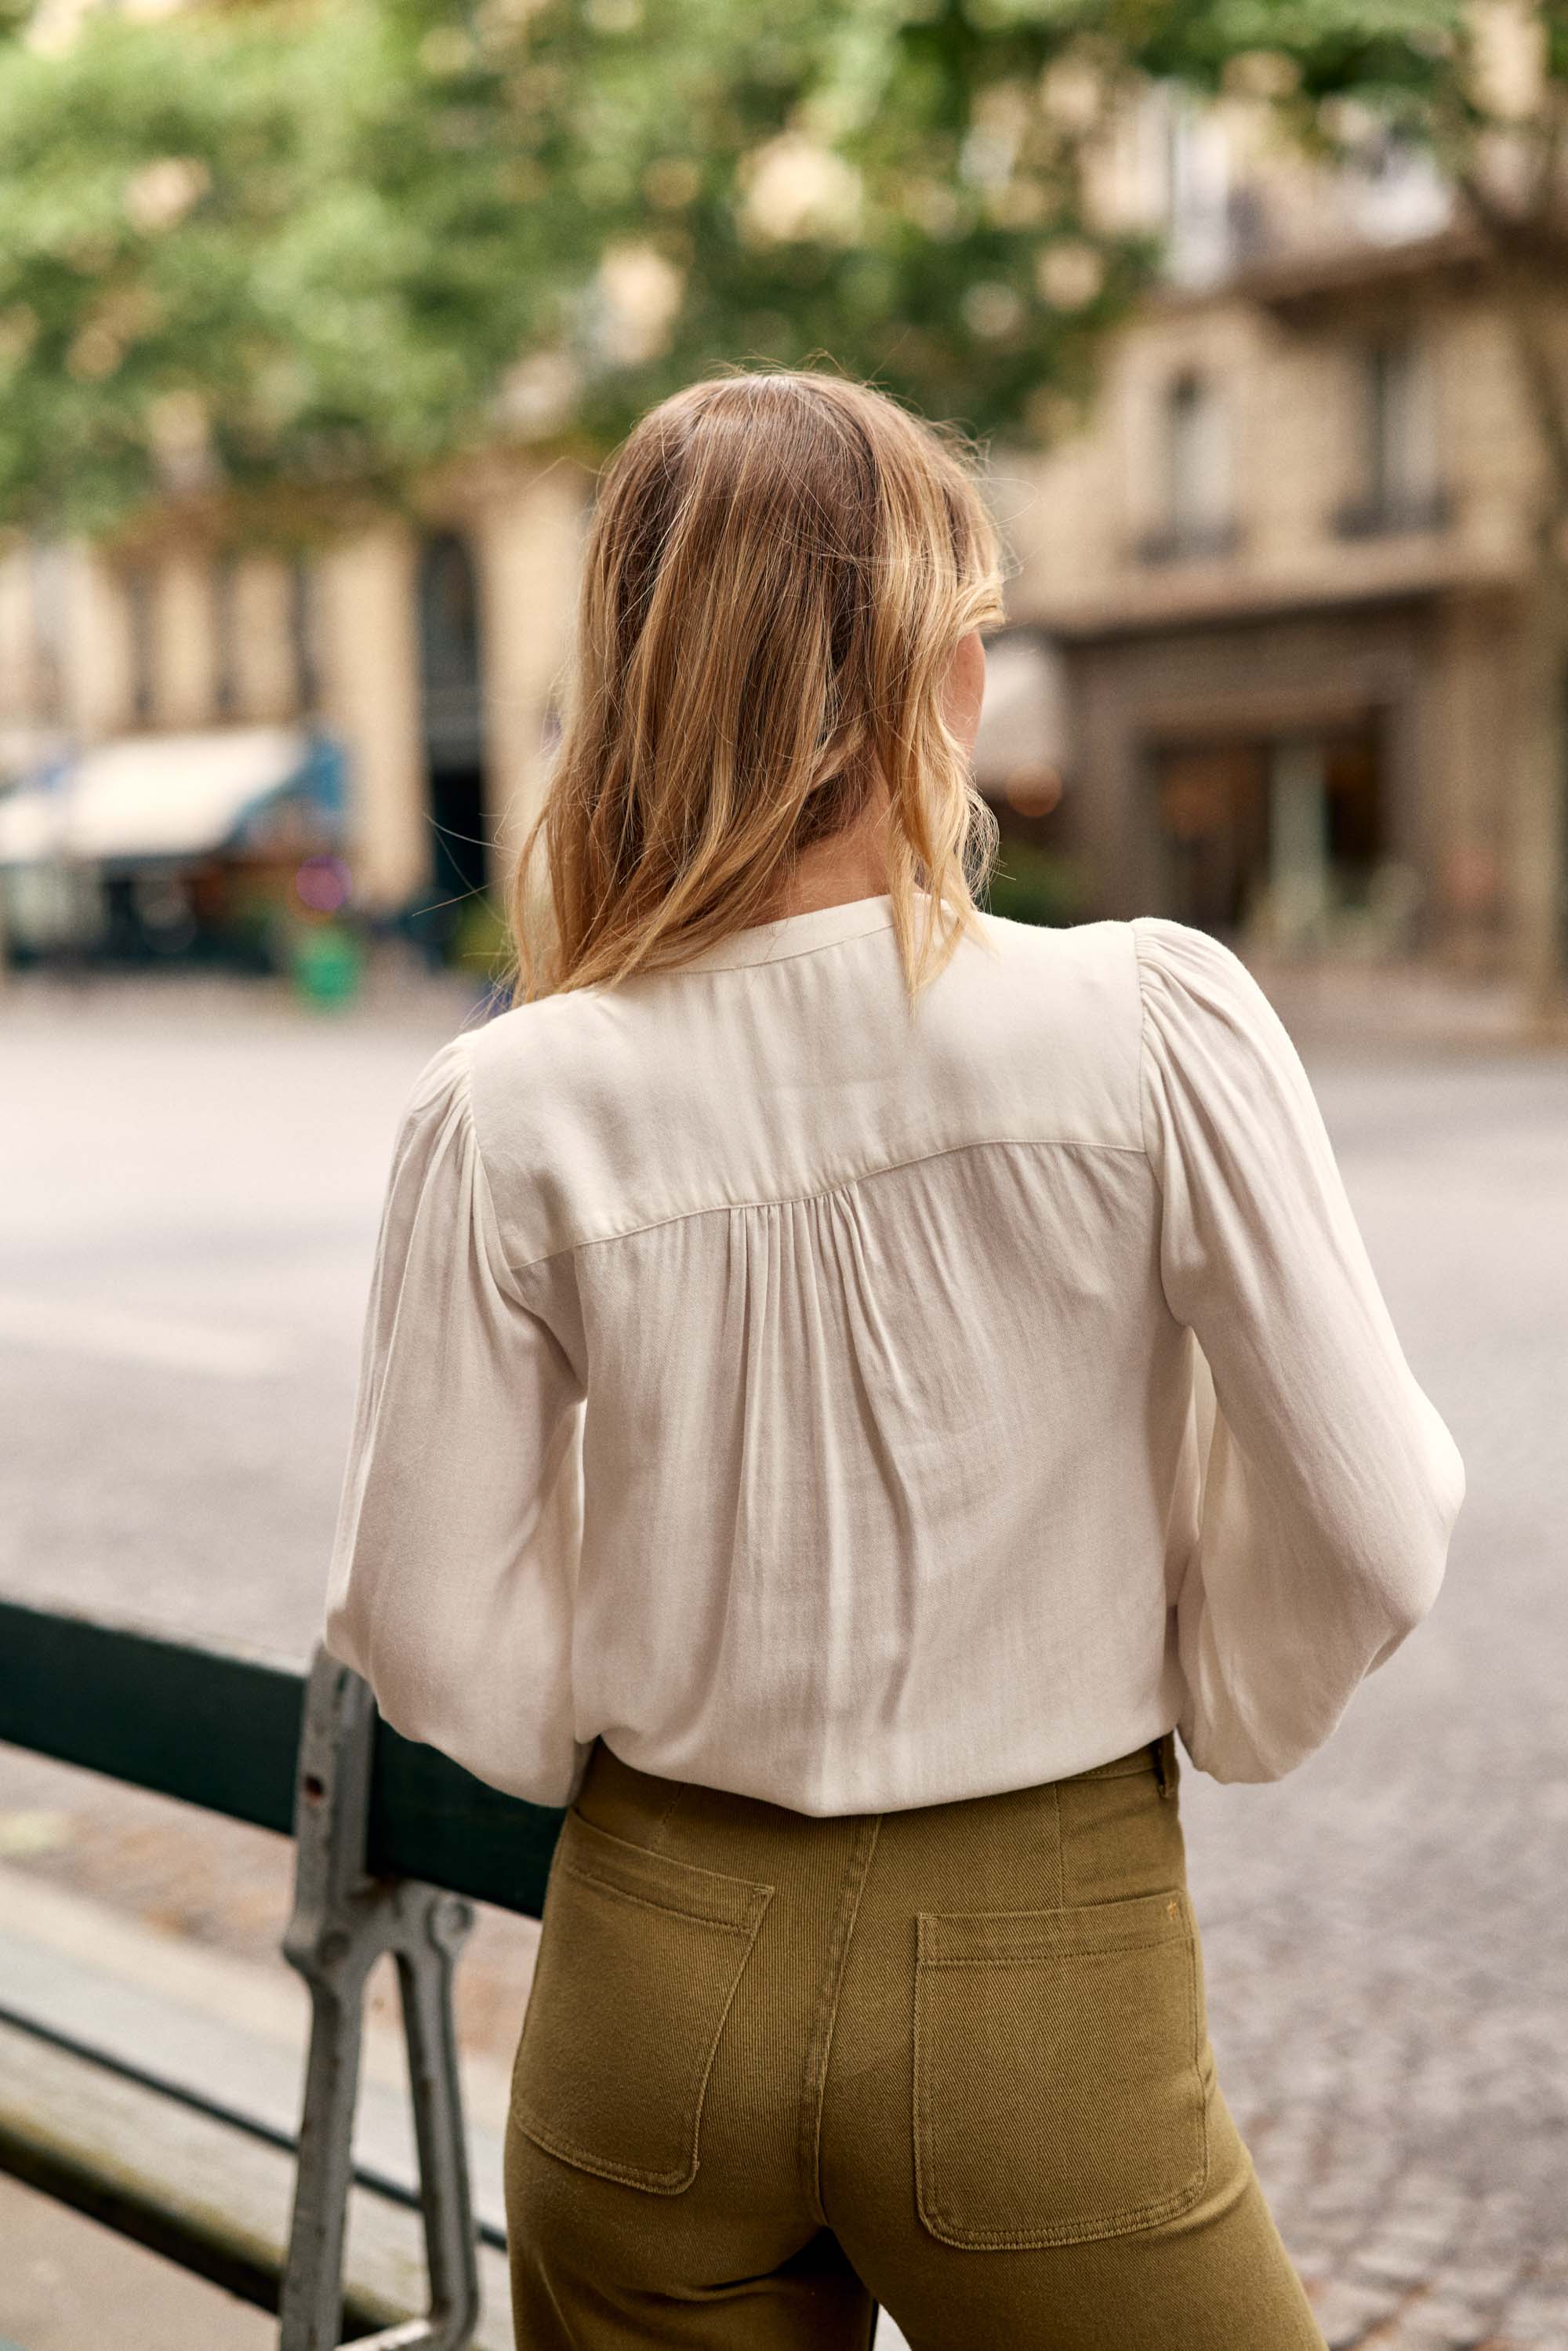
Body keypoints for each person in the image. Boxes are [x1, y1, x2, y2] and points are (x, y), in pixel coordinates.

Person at [321, 370, 1465, 2350]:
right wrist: (1218, 1692)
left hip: (646, 1986)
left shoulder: (506, 1103)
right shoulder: (1148, 1023)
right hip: (1044, 1963)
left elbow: (411, 1615)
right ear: (936, 672)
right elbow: (1375, 1521)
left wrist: (647, 1743)